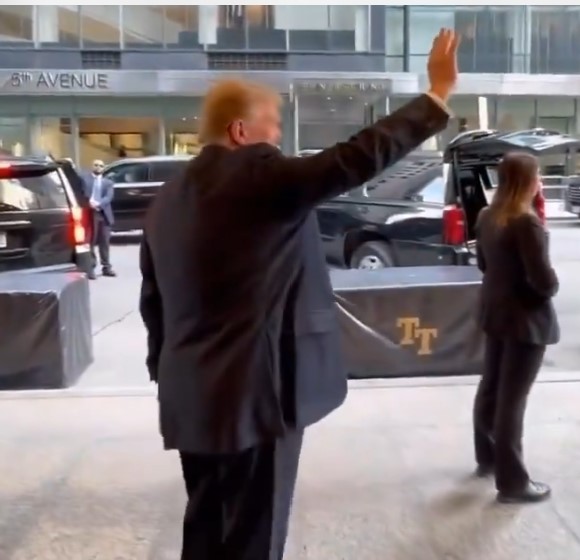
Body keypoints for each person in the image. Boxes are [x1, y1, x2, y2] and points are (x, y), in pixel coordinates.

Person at [139, 29, 458, 560]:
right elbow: (353, 158)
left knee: (205, 527)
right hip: (255, 396)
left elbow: (155, 304)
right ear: (241, 131)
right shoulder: (258, 177)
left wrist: (167, 372)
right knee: (254, 538)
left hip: (189, 396)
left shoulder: (168, 198)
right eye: (273, 129)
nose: (279, 143)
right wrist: (436, 97)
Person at [473, 152, 559, 504]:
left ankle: (488, 459)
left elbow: (483, 264)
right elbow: (545, 283)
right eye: (538, 176)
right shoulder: (527, 223)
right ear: (528, 181)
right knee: (513, 399)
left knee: (492, 387)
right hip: (526, 320)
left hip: (495, 313)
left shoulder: (486, 216)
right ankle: (513, 483)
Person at [81, 159, 117, 280]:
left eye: (101, 166)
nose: (98, 167)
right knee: (90, 242)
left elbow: (109, 197)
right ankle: (91, 268)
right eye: (96, 165)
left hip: (104, 215)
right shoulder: (85, 179)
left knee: (104, 242)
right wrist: (89, 202)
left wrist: (99, 204)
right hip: (90, 214)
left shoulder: (108, 182)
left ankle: (106, 267)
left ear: (103, 168)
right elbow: (82, 193)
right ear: (92, 166)